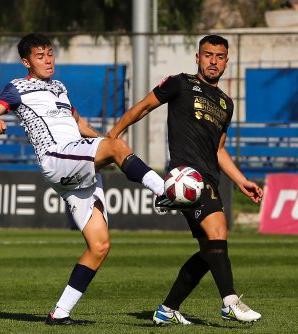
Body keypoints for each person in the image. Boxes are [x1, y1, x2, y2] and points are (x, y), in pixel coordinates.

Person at [0, 33, 165, 326]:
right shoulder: (17, 88)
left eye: (50, 53)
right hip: (56, 157)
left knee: (100, 245)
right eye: (40, 56)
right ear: (27, 62)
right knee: (117, 149)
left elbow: (78, 123)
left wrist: (105, 139)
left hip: (75, 161)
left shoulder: (59, 87)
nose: (48, 59)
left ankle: (60, 313)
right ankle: (165, 191)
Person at [107, 34, 263, 325]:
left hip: (210, 177)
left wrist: (241, 180)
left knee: (209, 251)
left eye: (219, 56)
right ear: (197, 57)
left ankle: (167, 310)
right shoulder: (180, 83)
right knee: (218, 231)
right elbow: (142, 107)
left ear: (226, 61)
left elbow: (218, 149)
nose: (213, 61)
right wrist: (113, 136)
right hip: (187, 177)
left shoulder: (225, 103)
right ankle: (230, 301)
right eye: (207, 54)